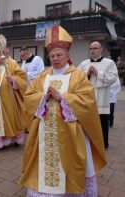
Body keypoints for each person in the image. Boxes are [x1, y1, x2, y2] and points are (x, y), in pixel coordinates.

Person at [19, 24, 107, 196]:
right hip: (45, 132)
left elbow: (87, 102)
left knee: (70, 163)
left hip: (71, 134)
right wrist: (43, 97)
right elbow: (29, 96)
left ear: (67, 56)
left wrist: (63, 98)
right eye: (52, 56)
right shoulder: (43, 76)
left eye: (59, 55)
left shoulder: (77, 76)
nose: (55, 58)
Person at [77, 41, 118, 149]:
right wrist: (87, 74)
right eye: (91, 49)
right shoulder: (84, 63)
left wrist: (98, 74)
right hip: (87, 97)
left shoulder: (109, 63)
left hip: (101, 98)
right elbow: (76, 78)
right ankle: (87, 143)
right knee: (87, 121)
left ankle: (103, 144)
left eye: (95, 48)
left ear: (101, 49)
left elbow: (113, 77)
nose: (92, 50)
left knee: (102, 122)